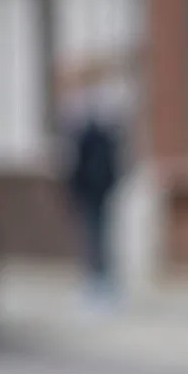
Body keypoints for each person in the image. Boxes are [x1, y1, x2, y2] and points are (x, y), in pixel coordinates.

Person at [62, 78, 124, 306]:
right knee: (92, 235)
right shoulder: (84, 119)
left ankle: (101, 282)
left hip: (95, 189)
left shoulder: (98, 122)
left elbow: (101, 158)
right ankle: (96, 280)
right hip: (88, 189)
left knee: (97, 235)